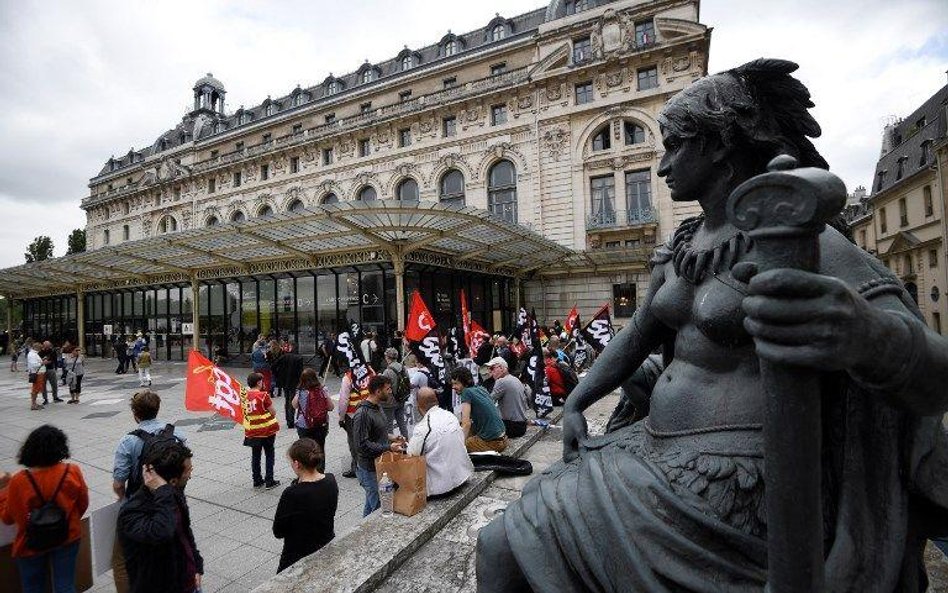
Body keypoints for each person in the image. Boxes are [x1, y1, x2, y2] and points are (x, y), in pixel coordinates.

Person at [476, 59, 948, 592]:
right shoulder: (684, 245)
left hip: (734, 477)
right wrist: (578, 399)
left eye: (675, 145)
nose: (661, 166)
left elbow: (935, 377)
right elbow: (637, 335)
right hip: (653, 449)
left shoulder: (799, 237)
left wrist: (861, 330)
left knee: (502, 547)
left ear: (720, 144)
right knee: (505, 542)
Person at [111, 390, 187, 593]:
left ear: (135, 414)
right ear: (157, 409)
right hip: (171, 502)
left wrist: (123, 499)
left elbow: (119, 483)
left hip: (140, 505)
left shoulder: (128, 441)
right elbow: (185, 470)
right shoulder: (177, 435)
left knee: (121, 559)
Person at [0, 425, 89, 593]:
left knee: (33, 587)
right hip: (67, 535)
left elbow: (7, 518)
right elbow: (83, 503)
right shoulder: (72, 471)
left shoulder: (19, 481)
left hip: (30, 542)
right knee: (65, 585)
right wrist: (68, 519)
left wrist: (3, 491)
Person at [117, 441, 203, 593]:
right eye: (188, 470)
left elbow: (184, 532)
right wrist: (163, 491)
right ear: (172, 481)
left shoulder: (174, 494)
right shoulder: (133, 512)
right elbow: (162, 532)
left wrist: (197, 565)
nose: (191, 473)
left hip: (188, 583)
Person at [272, 438, 338, 573]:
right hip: (326, 545)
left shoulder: (292, 493)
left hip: (298, 554)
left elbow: (278, 531)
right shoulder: (330, 480)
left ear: (297, 464)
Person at [352, 375, 405, 516]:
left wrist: (393, 438)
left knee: (371, 506)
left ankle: (360, 532)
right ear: (377, 391)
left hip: (379, 465)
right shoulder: (363, 414)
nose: (390, 392)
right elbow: (362, 444)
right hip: (368, 469)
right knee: (378, 507)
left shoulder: (378, 407)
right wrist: (389, 447)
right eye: (387, 389)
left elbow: (379, 432)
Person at [406, 387, 474, 497]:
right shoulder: (450, 415)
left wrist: (405, 446)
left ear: (419, 405)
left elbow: (412, 456)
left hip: (441, 488)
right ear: (436, 400)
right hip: (462, 477)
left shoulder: (423, 428)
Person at [451, 367, 507, 453]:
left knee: (459, 445)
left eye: (456, 383)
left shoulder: (466, 393)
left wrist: (459, 445)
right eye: (452, 384)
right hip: (503, 439)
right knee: (462, 428)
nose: (453, 387)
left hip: (494, 443)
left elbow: (466, 424)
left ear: (465, 383)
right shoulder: (481, 389)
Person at [244, 372, 281, 489]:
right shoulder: (263, 395)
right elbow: (273, 412)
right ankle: (269, 480)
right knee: (269, 454)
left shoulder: (244, 396)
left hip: (252, 430)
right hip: (266, 430)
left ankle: (257, 480)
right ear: (258, 382)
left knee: (256, 456)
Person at [291, 368, 332, 468]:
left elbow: (294, 405)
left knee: (305, 449)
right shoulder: (322, 390)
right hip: (321, 424)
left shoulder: (300, 391)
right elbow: (331, 407)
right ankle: (320, 470)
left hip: (304, 424)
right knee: (320, 448)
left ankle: (308, 470)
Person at [487, 357, 530, 438]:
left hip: (511, 426)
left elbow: (488, 402)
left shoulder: (501, 381)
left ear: (502, 368)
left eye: (492, 368)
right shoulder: (515, 379)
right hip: (521, 425)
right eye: (489, 369)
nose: (490, 372)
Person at [335, 369, 366, 479]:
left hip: (353, 414)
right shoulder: (370, 372)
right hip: (368, 411)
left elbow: (344, 399)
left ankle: (356, 468)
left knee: (354, 441)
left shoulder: (348, 377)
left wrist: (341, 417)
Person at [380, 347, 410, 439]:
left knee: (389, 425)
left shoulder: (387, 371)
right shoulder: (403, 367)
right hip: (401, 398)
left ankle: (392, 446)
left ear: (387, 357)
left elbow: (383, 387)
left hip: (390, 402)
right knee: (401, 422)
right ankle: (406, 441)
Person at [273, 341, 303, 428]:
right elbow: (300, 372)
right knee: (293, 401)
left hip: (285, 382)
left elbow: (273, 366)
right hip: (295, 382)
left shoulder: (284, 357)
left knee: (287, 400)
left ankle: (288, 420)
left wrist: (278, 375)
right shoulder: (299, 358)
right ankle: (291, 420)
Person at [26, 341, 46, 410]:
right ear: (36, 348)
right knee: (35, 389)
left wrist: (41, 361)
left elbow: (35, 363)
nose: (40, 350)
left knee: (36, 389)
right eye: (40, 348)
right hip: (37, 374)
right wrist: (43, 362)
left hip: (38, 373)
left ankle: (34, 403)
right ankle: (33, 404)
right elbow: (34, 365)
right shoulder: (32, 354)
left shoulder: (33, 354)